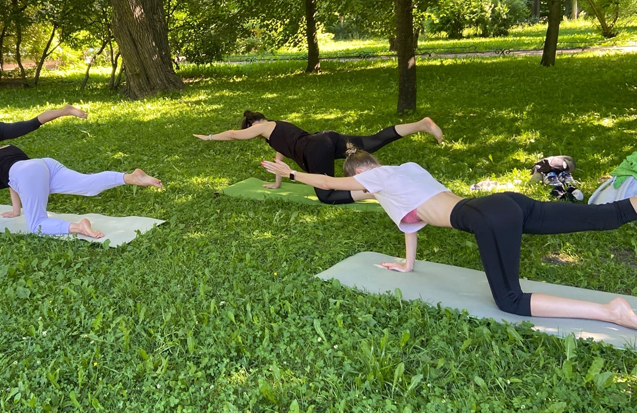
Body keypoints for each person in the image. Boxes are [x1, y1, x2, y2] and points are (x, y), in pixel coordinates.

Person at [261, 148, 637, 330]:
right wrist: (407, 265)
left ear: (361, 173)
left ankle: (611, 312)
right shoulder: (406, 172)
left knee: (510, 301)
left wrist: (291, 174)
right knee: (609, 215)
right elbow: (410, 221)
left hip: (485, 218)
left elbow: (328, 184)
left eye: (360, 181)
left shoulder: (376, 178)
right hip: (506, 203)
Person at [0, 145, 162, 238]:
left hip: (28, 174)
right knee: (87, 185)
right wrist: (16, 210)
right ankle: (130, 177)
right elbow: (14, 183)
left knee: (38, 225)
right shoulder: (3, 150)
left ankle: (78, 227)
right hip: (43, 165)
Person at [195, 110, 442, 204]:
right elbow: (280, 160)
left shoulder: (264, 126)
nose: (251, 129)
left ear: (254, 123)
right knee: (373, 141)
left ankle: (373, 190)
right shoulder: (277, 132)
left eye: (251, 125)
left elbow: (233, 134)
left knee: (326, 195)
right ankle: (420, 124)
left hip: (316, 149)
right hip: (327, 138)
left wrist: (209, 137)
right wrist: (277, 183)